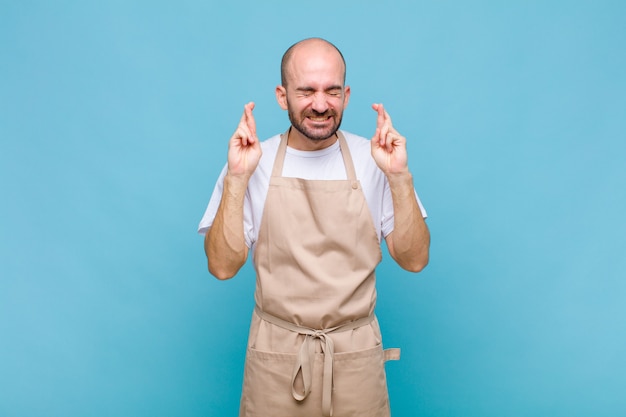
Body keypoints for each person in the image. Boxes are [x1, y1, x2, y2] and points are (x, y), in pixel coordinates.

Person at [198, 37, 430, 417]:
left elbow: (415, 259)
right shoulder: (252, 161)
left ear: (347, 95)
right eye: (306, 91)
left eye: (331, 91)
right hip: (277, 358)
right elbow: (222, 268)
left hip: (355, 358)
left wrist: (400, 177)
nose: (320, 104)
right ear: (282, 95)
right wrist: (237, 180)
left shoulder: (376, 159)